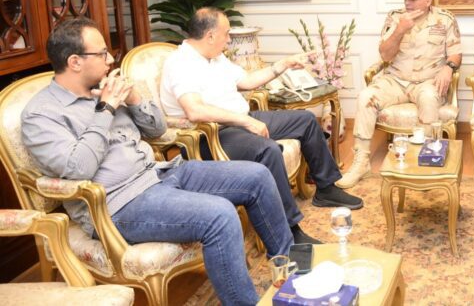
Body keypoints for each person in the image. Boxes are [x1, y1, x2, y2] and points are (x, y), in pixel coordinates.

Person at [20, 18, 294, 305]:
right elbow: (79, 168)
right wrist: (107, 108)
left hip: (158, 173)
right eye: (101, 54)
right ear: (75, 62)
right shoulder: (42, 114)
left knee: (257, 176)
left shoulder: (104, 88)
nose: (110, 59)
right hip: (119, 204)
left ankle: (290, 269)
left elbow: (157, 130)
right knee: (220, 215)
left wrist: (134, 98)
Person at [160, 8, 363, 227]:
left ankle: (326, 189)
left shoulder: (215, 57)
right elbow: (195, 110)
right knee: (268, 150)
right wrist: (246, 121)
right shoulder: (180, 63)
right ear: (210, 36)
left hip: (239, 120)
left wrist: (283, 65)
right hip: (212, 135)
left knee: (306, 121)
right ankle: (288, 227)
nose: (229, 40)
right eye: (226, 34)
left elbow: (247, 81)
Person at [337, 0, 462, 188]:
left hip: (428, 81)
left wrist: (448, 68)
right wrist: (400, 29)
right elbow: (385, 55)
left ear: (428, 0)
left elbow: (456, 53)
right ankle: (361, 162)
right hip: (395, 81)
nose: (407, 2)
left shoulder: (445, 19)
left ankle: (425, 160)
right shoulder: (395, 18)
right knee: (366, 96)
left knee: (429, 99)